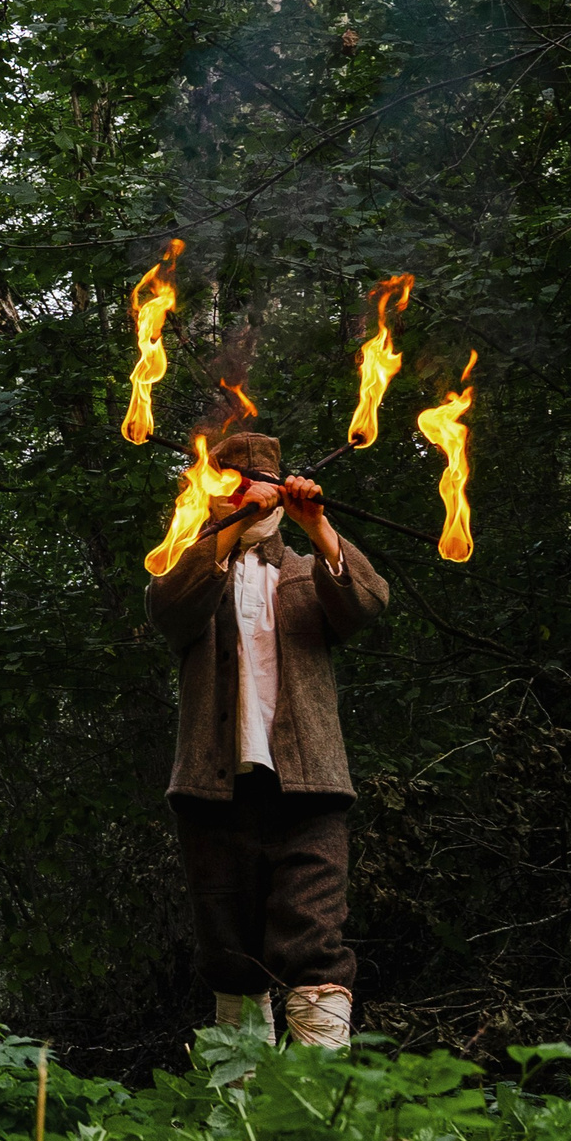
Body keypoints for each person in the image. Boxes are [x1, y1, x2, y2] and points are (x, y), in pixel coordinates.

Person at [145, 431, 389, 1048]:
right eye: (237, 487)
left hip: (310, 792)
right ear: (215, 493)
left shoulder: (309, 568)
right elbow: (168, 608)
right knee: (229, 956)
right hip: (214, 795)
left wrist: (316, 524)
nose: (251, 497)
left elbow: (368, 602)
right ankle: (242, 1100)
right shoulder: (189, 564)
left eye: (262, 488)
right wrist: (227, 531)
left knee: (316, 946)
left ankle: (317, 1098)